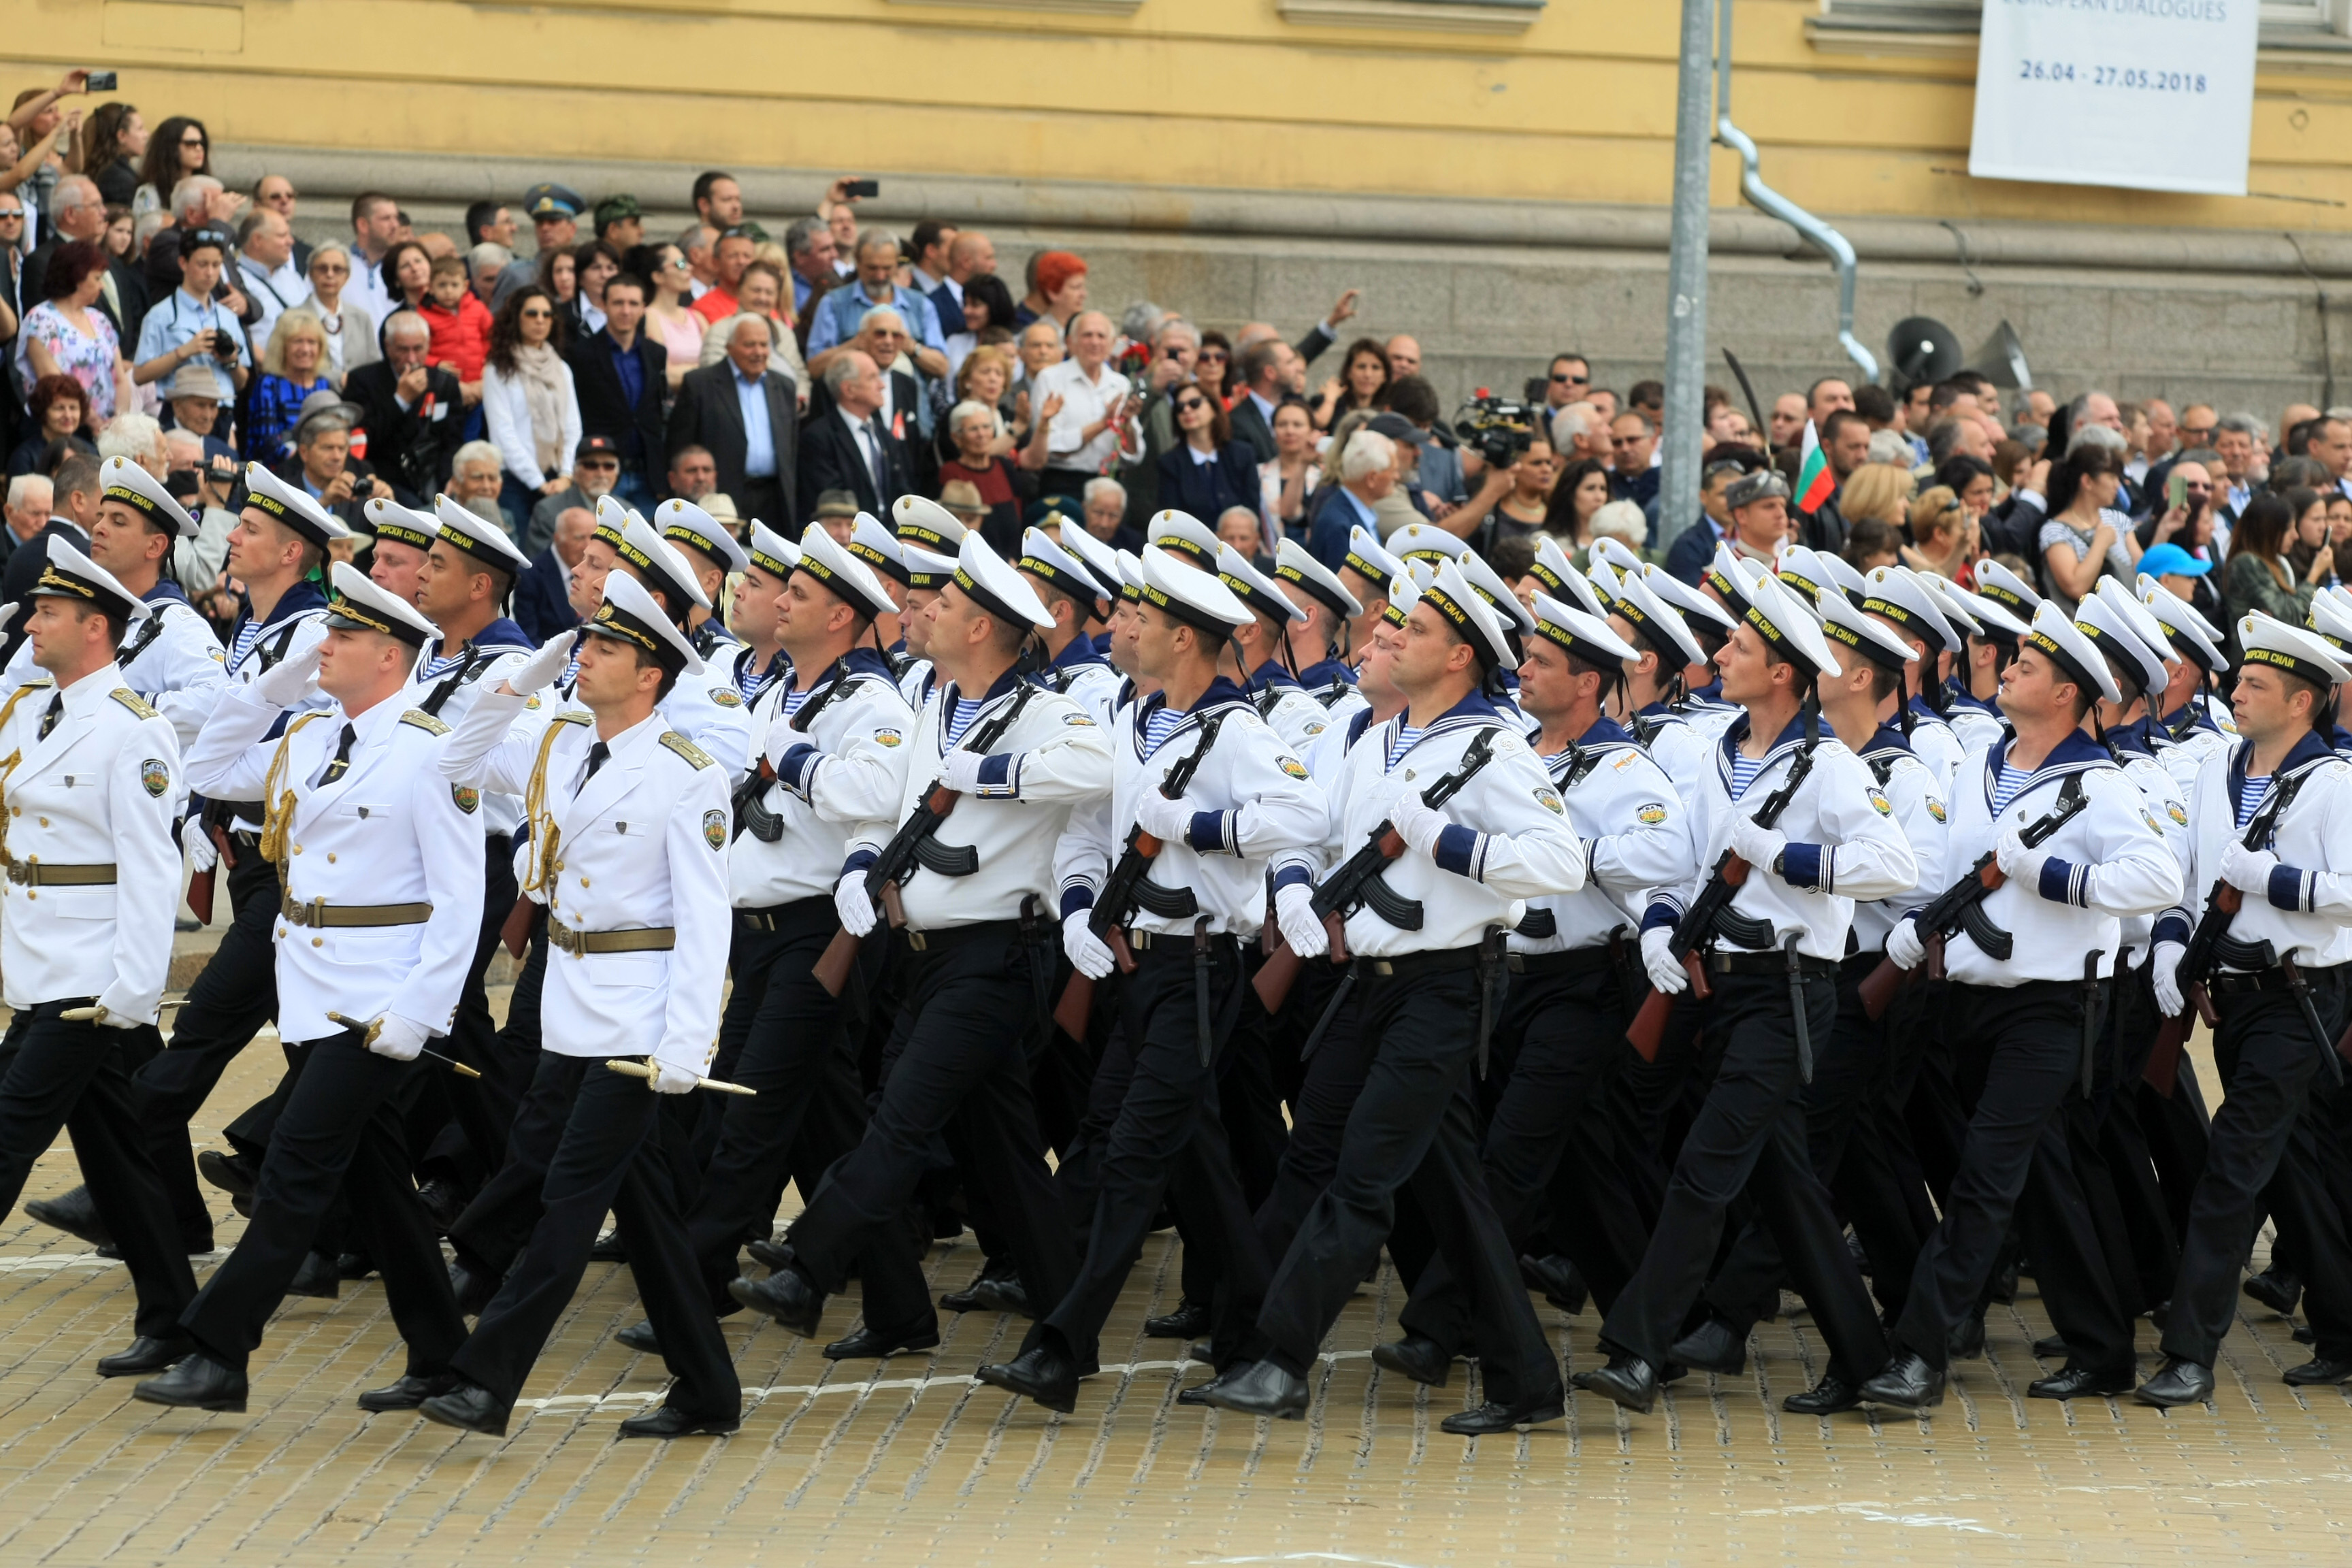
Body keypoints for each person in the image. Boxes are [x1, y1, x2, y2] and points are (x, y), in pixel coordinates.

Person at [1196, 559, 1575, 1431]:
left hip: (1444, 987)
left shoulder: (1492, 749)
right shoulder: (1377, 739)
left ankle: (1280, 1359)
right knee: (1429, 1186)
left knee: (1361, 1176)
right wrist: (1293, 886)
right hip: (1366, 986)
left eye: (1416, 632)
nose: (1392, 637)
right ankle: (1527, 1379)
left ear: (1459, 662)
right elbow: (1306, 825)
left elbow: (1559, 862)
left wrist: (1448, 844)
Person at [730, 533, 1105, 1369]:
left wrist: (989, 773)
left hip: (998, 956)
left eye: (943, 606)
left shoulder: (1043, 709)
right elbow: (894, 810)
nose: (921, 612)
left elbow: (1098, 763)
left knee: (898, 1119)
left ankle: (808, 1266)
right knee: (1009, 1164)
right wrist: (867, 868)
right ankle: (1063, 1339)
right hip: (924, 953)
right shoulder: (934, 702)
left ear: (982, 629)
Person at [131, 564, 480, 1416]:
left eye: (346, 637)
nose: (326, 646)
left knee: (294, 1168)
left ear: (391, 656)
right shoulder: (313, 736)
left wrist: (418, 1014)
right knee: (375, 1181)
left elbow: (460, 901)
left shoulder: (433, 752)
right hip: (310, 987)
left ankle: (219, 1349)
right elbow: (211, 762)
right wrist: (278, 681)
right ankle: (442, 1354)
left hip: (378, 1001)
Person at [978, 544, 1317, 1411]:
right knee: (1190, 1162)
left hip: (1200, 966)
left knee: (1128, 1155)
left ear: (1185, 638)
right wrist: (1084, 905)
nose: (1125, 629)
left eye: (1144, 620)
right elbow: (1091, 832)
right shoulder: (1138, 718)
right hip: (1140, 965)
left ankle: (1062, 1346)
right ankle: (1259, 1339)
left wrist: (1198, 825)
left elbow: (1299, 817)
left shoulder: (1236, 729)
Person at [1576, 570, 1909, 1418]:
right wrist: (1659, 927)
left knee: (1705, 1167)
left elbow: (1893, 864)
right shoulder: (1714, 751)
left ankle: (1639, 1350)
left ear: (1786, 675)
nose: (1721, 654)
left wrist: (1786, 859)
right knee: (1787, 1189)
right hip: (1710, 987)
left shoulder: (1827, 765)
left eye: (1741, 648)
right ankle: (1869, 1361)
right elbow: (1681, 865)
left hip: (1787, 990)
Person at [416, 570, 740, 1440]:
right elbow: (453, 757)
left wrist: (689, 1043)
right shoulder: (562, 741)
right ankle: (708, 1387)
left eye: (605, 648)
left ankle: (489, 1378)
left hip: (639, 1013)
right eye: (585, 641)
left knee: (566, 1199)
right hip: (570, 1000)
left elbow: (706, 920)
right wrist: (522, 679)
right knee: (644, 1210)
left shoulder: (688, 775)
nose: (585, 656)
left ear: (651, 675)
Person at [1858, 600, 2180, 1411]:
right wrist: (1910, 930)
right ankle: (2103, 1347)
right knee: (2039, 1177)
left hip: (2052, 1007)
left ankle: (1920, 1350)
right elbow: (1949, 868)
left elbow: (2157, 882)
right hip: (1968, 1001)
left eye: (2028, 667)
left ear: (2069, 695)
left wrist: (2057, 878)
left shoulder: (2097, 785)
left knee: (1984, 1178)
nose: (2007, 671)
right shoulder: (1984, 766)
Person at [620, 523, 913, 1358]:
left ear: (844, 618)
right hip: (759, 934)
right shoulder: (778, 690)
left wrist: (788, 755)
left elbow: (870, 791)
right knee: (828, 1128)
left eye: (800, 596)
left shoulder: (872, 704)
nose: (779, 601)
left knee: (743, 1120)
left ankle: (696, 1286)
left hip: (821, 932)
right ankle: (901, 1308)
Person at [2138, 611, 2352, 1405]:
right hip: (2228, 998)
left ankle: (2188, 1351)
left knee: (2231, 1172)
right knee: (2290, 1171)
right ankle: (2344, 1329)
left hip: (2297, 998)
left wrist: (2274, 882)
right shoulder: (2216, 772)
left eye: (2256, 685)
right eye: (2240, 680)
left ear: (2302, 703)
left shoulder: (2335, 786)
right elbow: (2192, 877)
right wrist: (2170, 947)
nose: (2236, 692)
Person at [0, 536, 197, 1379]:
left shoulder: (133, 732)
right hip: (38, 957)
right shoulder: (31, 711)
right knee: (117, 1154)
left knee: (6, 1132)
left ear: (95, 628)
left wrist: (133, 990)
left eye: (46, 613)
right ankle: (175, 1318)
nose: (30, 625)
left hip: (89, 979)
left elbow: (155, 868)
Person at [668, 314, 797, 525]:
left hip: (775, 498)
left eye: (764, 345)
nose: (758, 352)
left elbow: (792, 449)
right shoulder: (700, 384)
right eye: (750, 345)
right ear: (729, 348)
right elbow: (681, 446)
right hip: (722, 497)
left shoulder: (784, 386)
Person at [566, 270, 666, 513]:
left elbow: (655, 410)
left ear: (644, 308)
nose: (626, 311)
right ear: (603, 306)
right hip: (603, 471)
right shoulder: (581, 354)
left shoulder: (656, 353)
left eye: (633, 304)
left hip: (647, 473)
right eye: (618, 303)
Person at [480, 287, 581, 526]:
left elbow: (572, 426)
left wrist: (566, 474)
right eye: (532, 313)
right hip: (516, 481)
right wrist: (538, 483)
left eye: (547, 315)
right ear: (516, 318)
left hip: (558, 477)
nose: (540, 320)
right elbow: (503, 433)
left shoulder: (561, 368)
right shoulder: (498, 370)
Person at [346, 311, 464, 506]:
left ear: (428, 346)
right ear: (388, 346)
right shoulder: (362, 380)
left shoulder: (444, 383)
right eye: (403, 350)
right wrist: (400, 401)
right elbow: (365, 441)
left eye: (418, 349)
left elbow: (452, 441)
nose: (411, 358)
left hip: (433, 477)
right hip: (387, 479)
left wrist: (449, 479)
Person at [16, 240, 129, 425]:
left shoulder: (99, 320)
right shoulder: (42, 320)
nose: (102, 287)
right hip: (64, 428)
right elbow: (54, 384)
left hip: (109, 427)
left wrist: (119, 421)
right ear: (77, 277)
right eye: (97, 278)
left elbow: (120, 379)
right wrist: (95, 424)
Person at [940, 398, 1040, 555]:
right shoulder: (951, 473)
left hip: (1014, 560)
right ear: (956, 438)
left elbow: (1020, 516)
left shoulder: (1005, 466)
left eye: (986, 427)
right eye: (973, 429)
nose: (982, 434)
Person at [241, 309, 336, 463]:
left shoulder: (324, 385)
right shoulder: (269, 384)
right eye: (298, 341)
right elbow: (267, 444)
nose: (305, 350)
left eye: (312, 342)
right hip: (276, 471)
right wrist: (306, 460)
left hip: (318, 466)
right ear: (282, 347)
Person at [1156, 382, 1258, 523]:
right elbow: (1172, 519)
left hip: (1238, 541)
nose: (1186, 410)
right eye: (1179, 407)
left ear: (1214, 408)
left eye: (1195, 403)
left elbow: (1252, 509)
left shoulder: (1242, 454)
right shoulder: (1169, 463)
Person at [2222, 493, 2313, 633]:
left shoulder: (2280, 563)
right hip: (2252, 653)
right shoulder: (2246, 564)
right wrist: (2314, 576)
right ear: (2269, 530)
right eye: (2289, 529)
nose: (2296, 536)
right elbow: (2288, 617)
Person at [630, 242, 704, 391]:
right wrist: (703, 373)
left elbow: (719, 367)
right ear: (658, 276)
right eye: (681, 264)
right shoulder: (648, 317)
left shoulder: (697, 317)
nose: (689, 267)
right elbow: (663, 373)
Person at [514, 503, 593, 643]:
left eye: (592, 538)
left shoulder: (601, 569)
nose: (587, 547)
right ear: (557, 539)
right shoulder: (530, 576)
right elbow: (528, 638)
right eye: (579, 538)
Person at [301, 241, 378, 380]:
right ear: (311, 274)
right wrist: (338, 379)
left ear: (347, 276)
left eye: (337, 269)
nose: (330, 275)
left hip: (358, 398)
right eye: (322, 268)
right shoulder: (294, 318)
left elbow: (374, 365)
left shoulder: (361, 318)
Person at [1258, 400, 1321, 545]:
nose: (1290, 431)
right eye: (1282, 425)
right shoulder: (1258, 474)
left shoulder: (1323, 476)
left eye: (1297, 425)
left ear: (1311, 431)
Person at [9, 374, 93, 478]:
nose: (68, 415)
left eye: (73, 408)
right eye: (59, 408)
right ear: (43, 410)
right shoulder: (25, 457)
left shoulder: (91, 452)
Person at [1308, 337, 1390, 433]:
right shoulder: (1323, 403)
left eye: (1376, 368)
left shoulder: (1389, 412)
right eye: (1361, 367)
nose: (1368, 374)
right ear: (1348, 372)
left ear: (1385, 375)